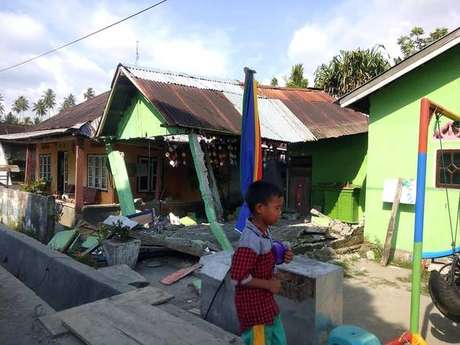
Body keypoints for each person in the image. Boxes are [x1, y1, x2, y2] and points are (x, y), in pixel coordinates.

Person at [230, 180, 294, 345]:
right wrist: (268, 285)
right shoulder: (250, 240)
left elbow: (267, 255)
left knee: (278, 338)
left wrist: (283, 255)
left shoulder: (264, 232)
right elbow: (237, 277)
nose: (280, 212)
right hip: (254, 310)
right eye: (277, 208)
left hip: (266, 305)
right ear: (260, 208)